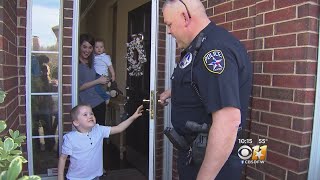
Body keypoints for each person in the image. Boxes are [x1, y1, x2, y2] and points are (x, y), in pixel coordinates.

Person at [160, 0, 252, 180]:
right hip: (194, 156)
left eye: (169, 24)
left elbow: (228, 121)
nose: (168, 31)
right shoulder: (198, 47)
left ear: (185, 17)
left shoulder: (213, 50)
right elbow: (201, 83)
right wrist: (172, 92)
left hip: (213, 165)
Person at [57, 104, 144, 180]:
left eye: (91, 113)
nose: (90, 116)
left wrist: (133, 117)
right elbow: (63, 158)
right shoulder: (70, 138)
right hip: (75, 178)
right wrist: (60, 177)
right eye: (85, 114)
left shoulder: (99, 130)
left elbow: (119, 128)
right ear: (76, 122)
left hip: (95, 177)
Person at [78, 34, 109, 126]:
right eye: (84, 47)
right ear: (79, 46)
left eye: (90, 47)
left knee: (99, 135)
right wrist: (98, 81)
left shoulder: (93, 62)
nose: (87, 50)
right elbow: (78, 88)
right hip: (84, 107)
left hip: (98, 103)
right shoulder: (76, 64)